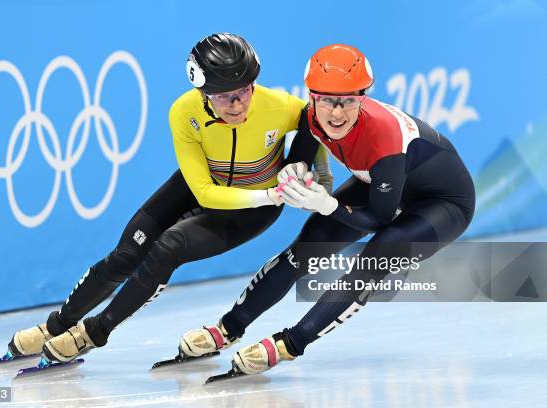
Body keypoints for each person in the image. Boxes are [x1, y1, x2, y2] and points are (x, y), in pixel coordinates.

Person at [5, 33, 332, 365]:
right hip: (206, 188)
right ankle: (55, 326)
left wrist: (318, 171)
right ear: (202, 93)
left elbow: (315, 121)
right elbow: (204, 191)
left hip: (249, 213)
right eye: (223, 97)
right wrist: (270, 193)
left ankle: (94, 332)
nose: (238, 104)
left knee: (168, 248)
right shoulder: (182, 112)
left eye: (245, 90)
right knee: (126, 255)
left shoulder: (279, 106)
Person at [178, 44, 475, 376]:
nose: (336, 113)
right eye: (327, 101)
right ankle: (229, 327)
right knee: (306, 248)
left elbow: (379, 219)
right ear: (312, 97)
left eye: (348, 101)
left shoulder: (385, 139)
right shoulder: (311, 117)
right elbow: (298, 161)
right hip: (378, 183)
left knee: (374, 259)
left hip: (442, 203)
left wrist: (329, 203)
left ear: (363, 98)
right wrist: (294, 173)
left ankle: (290, 344)